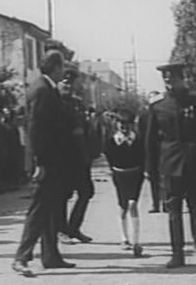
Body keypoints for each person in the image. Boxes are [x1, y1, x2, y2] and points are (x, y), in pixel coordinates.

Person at [145, 62, 196, 268]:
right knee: (173, 209)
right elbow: (150, 141)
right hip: (170, 163)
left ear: (181, 79)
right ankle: (177, 252)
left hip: (195, 161)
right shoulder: (158, 106)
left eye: (173, 78)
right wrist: (150, 169)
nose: (169, 82)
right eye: (166, 79)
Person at [12, 50, 75, 276]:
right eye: (62, 66)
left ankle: (50, 256)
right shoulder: (42, 90)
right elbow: (36, 129)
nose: (64, 71)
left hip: (53, 160)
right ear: (55, 67)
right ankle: (21, 257)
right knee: (39, 208)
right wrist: (40, 162)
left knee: (50, 207)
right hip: (46, 161)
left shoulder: (47, 88)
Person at [58, 67, 95, 244]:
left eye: (71, 82)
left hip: (80, 156)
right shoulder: (54, 103)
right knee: (63, 194)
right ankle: (61, 230)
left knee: (86, 192)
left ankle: (73, 228)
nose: (68, 85)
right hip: (64, 156)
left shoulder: (77, 104)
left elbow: (85, 130)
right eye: (65, 82)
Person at [104, 110, 145, 257]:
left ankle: (136, 241)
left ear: (132, 125)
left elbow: (143, 156)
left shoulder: (138, 140)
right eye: (121, 123)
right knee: (123, 206)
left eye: (127, 124)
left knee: (133, 204)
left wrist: (145, 171)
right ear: (116, 124)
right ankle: (124, 238)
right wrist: (111, 170)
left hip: (135, 174)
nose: (123, 127)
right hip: (119, 175)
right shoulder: (111, 141)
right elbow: (109, 158)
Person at [141, 92, 162, 213]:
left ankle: (166, 203)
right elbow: (141, 134)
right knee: (153, 178)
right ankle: (156, 203)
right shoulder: (144, 116)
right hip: (150, 150)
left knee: (164, 178)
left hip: (163, 149)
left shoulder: (163, 112)